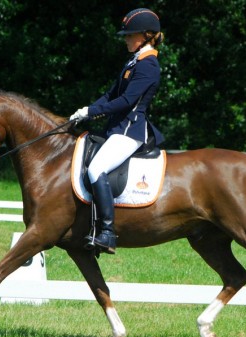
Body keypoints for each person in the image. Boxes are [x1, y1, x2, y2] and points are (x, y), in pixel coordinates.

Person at [69, 8, 165, 254]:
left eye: (129, 35)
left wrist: (93, 113)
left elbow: (126, 101)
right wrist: (87, 109)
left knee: (96, 169)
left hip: (130, 132)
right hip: (116, 129)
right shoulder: (133, 62)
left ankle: (108, 233)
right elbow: (111, 94)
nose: (125, 39)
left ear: (145, 35)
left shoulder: (149, 65)